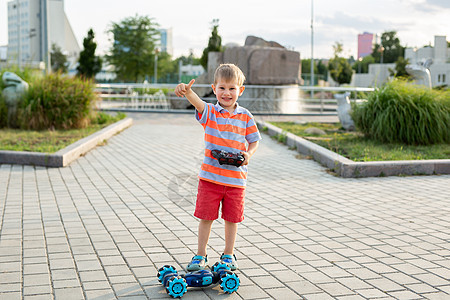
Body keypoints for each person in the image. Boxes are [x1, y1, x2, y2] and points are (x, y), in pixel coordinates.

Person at [174, 63, 261, 271]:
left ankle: (229, 255)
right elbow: (198, 103)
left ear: (240, 90)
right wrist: (187, 92)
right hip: (210, 179)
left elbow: (255, 140)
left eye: (232, 88)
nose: (227, 93)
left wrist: (248, 154)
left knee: (232, 219)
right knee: (206, 217)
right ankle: (200, 254)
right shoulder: (210, 113)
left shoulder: (245, 116)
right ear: (214, 89)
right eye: (222, 88)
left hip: (235, 181)